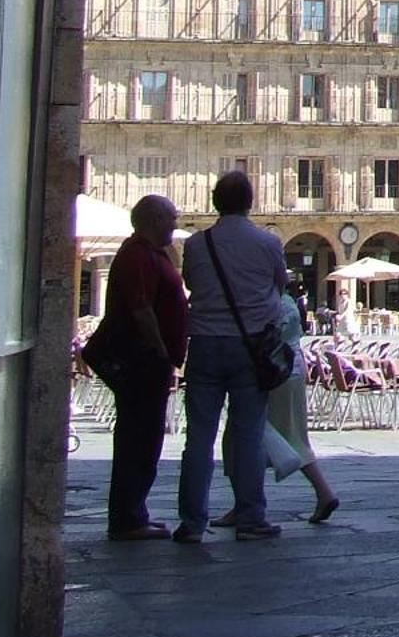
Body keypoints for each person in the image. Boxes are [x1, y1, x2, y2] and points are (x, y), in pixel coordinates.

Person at [176, 170, 287, 543]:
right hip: (250, 345)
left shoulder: (195, 245)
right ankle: (251, 517)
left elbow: (191, 283)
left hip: (205, 344)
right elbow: (279, 286)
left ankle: (192, 523)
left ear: (214, 202)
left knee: (199, 438)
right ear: (250, 202)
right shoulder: (268, 243)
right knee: (248, 434)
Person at [215, 286, 338, 526]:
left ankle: (244, 504)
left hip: (269, 375)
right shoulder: (287, 301)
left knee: (239, 437)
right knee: (292, 435)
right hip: (291, 371)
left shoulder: (262, 302)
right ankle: (323, 492)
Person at [102, 195, 186, 540]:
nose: (175, 224)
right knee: (138, 438)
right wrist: (161, 350)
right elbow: (141, 309)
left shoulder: (148, 253)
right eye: (171, 219)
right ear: (154, 221)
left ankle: (135, 512)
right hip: (142, 360)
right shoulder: (137, 255)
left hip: (148, 360)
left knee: (145, 438)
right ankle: (127, 519)